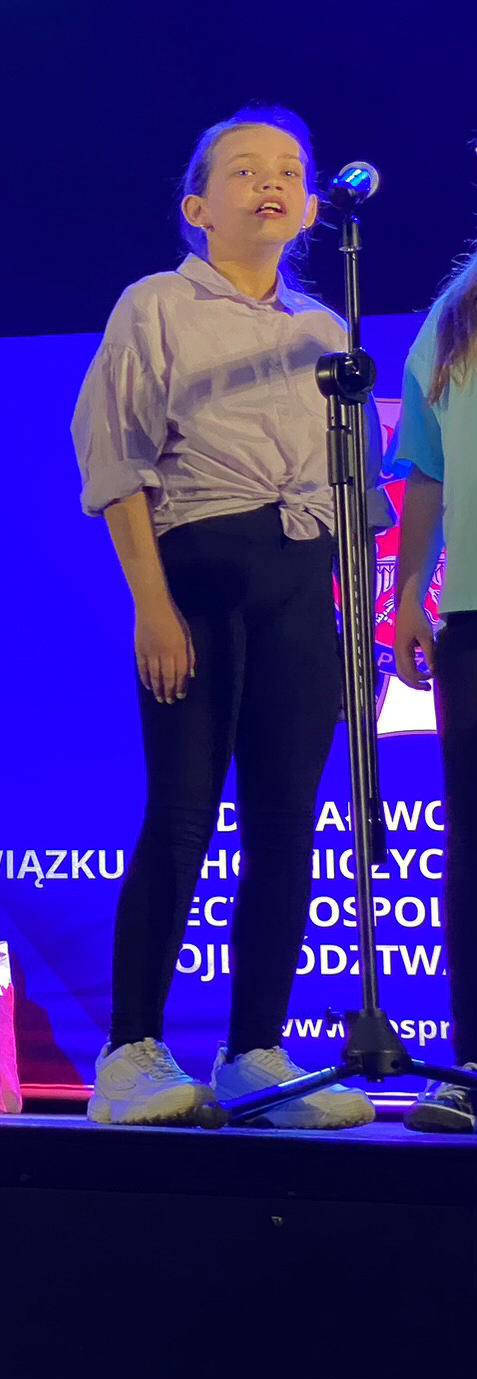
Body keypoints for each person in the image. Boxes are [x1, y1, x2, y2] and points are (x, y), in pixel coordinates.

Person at [73, 106, 375, 1129]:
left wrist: (351, 634)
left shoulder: (326, 331)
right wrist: (152, 606)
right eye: (244, 170)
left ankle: (254, 1051)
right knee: (182, 812)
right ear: (198, 206)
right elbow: (115, 459)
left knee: (287, 823)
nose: (271, 183)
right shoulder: (155, 304)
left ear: (311, 207)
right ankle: (130, 1051)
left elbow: (355, 495)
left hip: (301, 584)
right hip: (197, 576)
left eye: (289, 170)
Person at [388, 241, 477, 1132]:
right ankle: (471, 1064)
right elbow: (426, 470)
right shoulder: (453, 320)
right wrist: (410, 593)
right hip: (473, 617)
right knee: (474, 847)